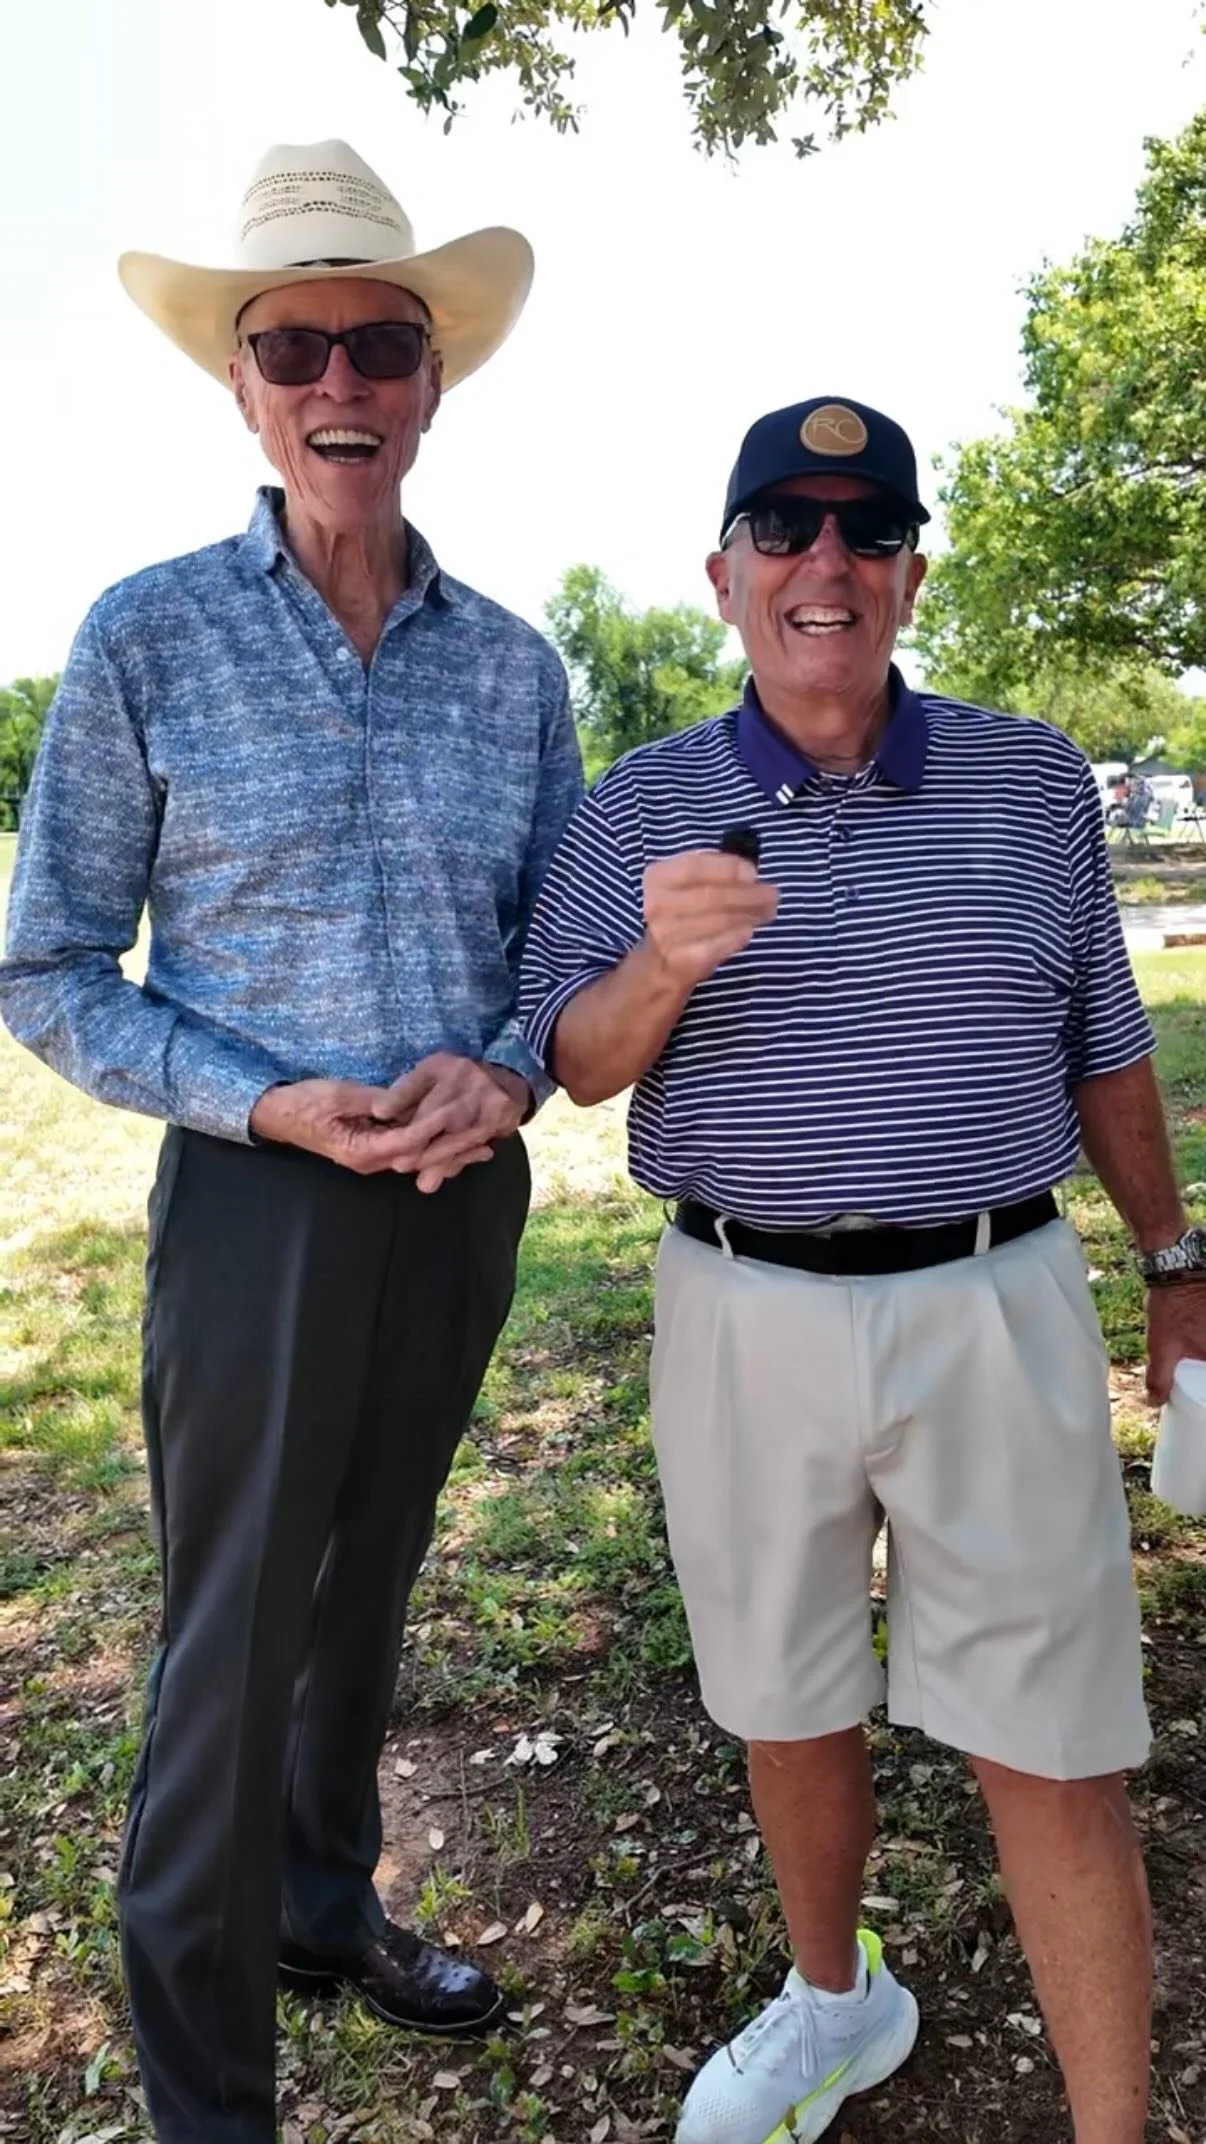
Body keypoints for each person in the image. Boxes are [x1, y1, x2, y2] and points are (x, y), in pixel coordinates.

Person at [518, 395, 1206, 2144]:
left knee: (1056, 1739)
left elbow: (1103, 1042)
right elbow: (571, 1060)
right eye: (784, 527)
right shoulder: (637, 802)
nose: (823, 560)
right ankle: (837, 2003)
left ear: (907, 574)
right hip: (738, 1307)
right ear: (723, 575)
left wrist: (1174, 1260)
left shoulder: (1031, 779)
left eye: (866, 529)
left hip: (995, 1299)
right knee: (784, 1694)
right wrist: (662, 966)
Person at [0, 140, 582, 2144]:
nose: (342, 381)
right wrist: (259, 1100)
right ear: (240, 387)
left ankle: (328, 1908)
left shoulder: (514, 666)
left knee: (373, 1581)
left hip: (460, 1193)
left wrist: (508, 1073)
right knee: (234, 1639)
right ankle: (207, 2096)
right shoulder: (146, 638)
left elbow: (557, 953)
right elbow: (46, 965)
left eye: (381, 345)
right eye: (295, 347)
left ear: (433, 382)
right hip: (258, 1202)